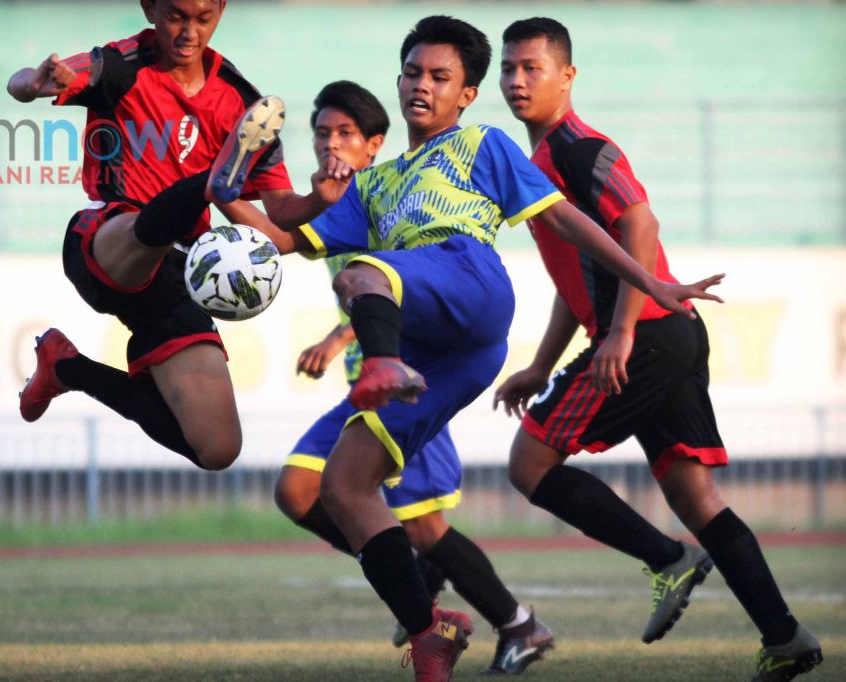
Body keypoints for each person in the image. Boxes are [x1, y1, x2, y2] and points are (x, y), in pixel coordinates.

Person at [271, 15, 723, 681]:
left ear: (465, 95)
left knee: (360, 276)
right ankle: (432, 633)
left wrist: (646, 276)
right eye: (413, 72)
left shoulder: (482, 144)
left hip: (473, 290)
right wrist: (222, 189)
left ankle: (384, 369)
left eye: (439, 77)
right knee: (340, 487)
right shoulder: (372, 184)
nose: (421, 85)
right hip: (440, 353)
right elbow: (281, 237)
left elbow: (567, 217)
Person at [493, 17, 822, 681]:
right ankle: (785, 636)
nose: (517, 80)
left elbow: (641, 221)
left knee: (529, 463)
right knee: (696, 498)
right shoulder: (541, 163)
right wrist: (539, 361)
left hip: (644, 334)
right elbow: (578, 278)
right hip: (660, 332)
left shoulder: (580, 148)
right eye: (509, 68)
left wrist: (618, 332)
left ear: (568, 76)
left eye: (532, 67)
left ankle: (666, 560)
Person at [274, 80, 553, 675]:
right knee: (298, 491)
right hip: (368, 379)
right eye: (321, 132)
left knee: (426, 526)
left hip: (411, 375)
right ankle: (411, 584)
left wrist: (338, 336)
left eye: (345, 133)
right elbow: (366, 280)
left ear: (374, 144)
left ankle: (514, 623)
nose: (331, 142)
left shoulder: (395, 191)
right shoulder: (344, 200)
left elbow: (400, 281)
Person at [7, 0, 350, 471]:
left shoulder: (238, 100)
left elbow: (280, 220)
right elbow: (27, 81)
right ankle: (211, 184)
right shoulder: (121, 65)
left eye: (203, 18)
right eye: (176, 16)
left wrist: (317, 202)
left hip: (180, 274)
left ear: (221, 11)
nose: (189, 31)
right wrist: (31, 83)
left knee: (217, 448)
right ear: (149, 8)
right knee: (153, 225)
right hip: (107, 243)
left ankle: (65, 367)